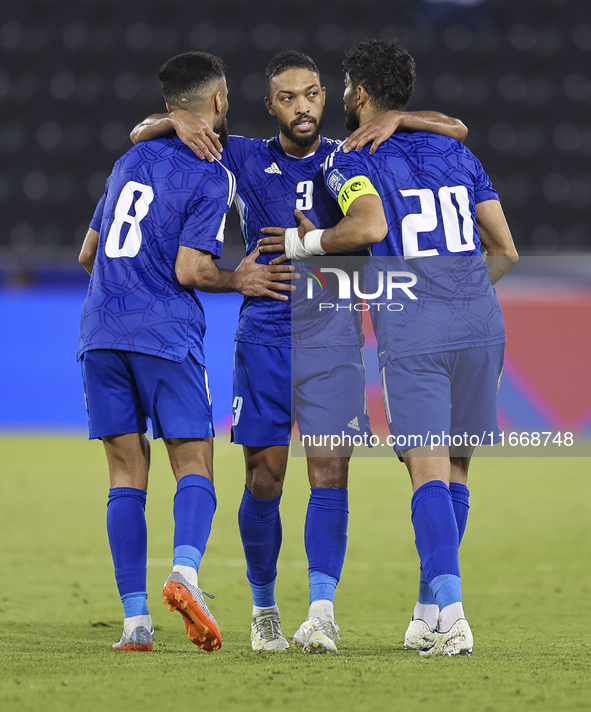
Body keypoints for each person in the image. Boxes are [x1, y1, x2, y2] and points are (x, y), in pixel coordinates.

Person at [130, 50, 468, 654]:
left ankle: (321, 612)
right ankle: (264, 613)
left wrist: (401, 118)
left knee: (330, 473)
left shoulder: (345, 159)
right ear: (270, 107)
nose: (305, 106)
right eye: (289, 97)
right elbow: (141, 133)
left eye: (313, 93)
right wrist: (177, 122)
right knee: (263, 478)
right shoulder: (239, 155)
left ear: (323, 97)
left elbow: (449, 136)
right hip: (262, 337)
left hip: (333, 337)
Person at [259, 39, 518, 657]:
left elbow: (370, 227)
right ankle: (429, 611)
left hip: (416, 327)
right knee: (455, 469)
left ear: (361, 93)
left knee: (425, 469)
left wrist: (307, 244)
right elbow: (505, 251)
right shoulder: (457, 149)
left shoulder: (349, 157)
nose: (340, 97)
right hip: (482, 322)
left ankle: (453, 617)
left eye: (344, 87)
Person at [77, 51, 296, 654]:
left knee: (126, 476)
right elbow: (191, 267)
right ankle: (186, 574)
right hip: (165, 336)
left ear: (173, 105)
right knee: (194, 463)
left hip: (100, 331)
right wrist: (240, 280)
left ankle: (135, 624)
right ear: (219, 102)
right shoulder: (212, 172)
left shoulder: (129, 159)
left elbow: (87, 256)